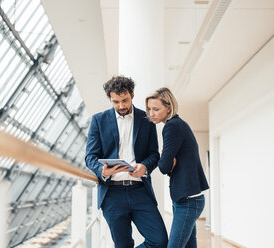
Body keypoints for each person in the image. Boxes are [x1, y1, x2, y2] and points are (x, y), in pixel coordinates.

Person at [85, 76, 168, 248]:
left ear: (132, 95)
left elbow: (154, 154)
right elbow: (90, 157)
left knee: (159, 241)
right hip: (112, 194)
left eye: (125, 100)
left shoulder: (146, 119)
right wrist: (102, 171)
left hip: (140, 191)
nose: (121, 106)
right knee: (123, 244)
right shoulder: (98, 120)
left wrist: (144, 166)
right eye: (116, 101)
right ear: (110, 99)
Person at [146, 87, 209, 248]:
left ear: (168, 107)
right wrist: (168, 160)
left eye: (156, 109)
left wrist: (164, 159)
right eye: (149, 109)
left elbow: (164, 167)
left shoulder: (172, 127)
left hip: (187, 201)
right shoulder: (179, 124)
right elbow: (169, 163)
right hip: (188, 199)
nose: (151, 113)